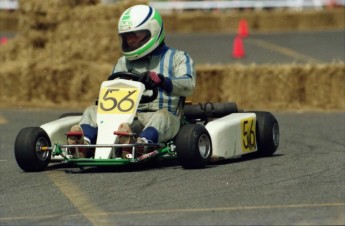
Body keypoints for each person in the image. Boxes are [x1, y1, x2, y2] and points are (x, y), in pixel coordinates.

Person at [67, 4, 196, 158]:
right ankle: (84, 145)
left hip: (166, 119)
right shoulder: (123, 63)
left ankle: (141, 144)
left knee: (162, 116)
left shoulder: (178, 58)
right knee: (91, 110)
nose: (131, 39)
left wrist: (163, 82)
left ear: (153, 30)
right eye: (127, 35)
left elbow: (189, 85)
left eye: (136, 34)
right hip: (129, 120)